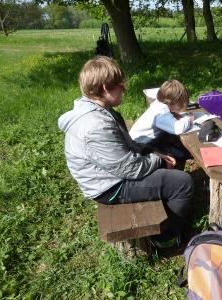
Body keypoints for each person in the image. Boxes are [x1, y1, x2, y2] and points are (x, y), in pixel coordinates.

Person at [58, 56, 193, 248]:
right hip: (109, 187)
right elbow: (129, 169)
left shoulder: (102, 111)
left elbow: (127, 145)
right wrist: (159, 161)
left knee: (167, 161)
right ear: (105, 88)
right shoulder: (95, 125)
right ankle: (166, 239)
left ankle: (167, 213)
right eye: (120, 85)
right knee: (183, 182)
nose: (124, 89)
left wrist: (154, 154)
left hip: (111, 174)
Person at [129, 79, 194, 167]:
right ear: (171, 102)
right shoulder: (162, 112)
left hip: (138, 142)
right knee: (171, 157)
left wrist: (173, 114)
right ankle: (171, 176)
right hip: (140, 148)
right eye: (180, 105)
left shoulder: (159, 104)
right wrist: (188, 119)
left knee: (175, 148)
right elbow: (178, 129)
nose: (181, 108)